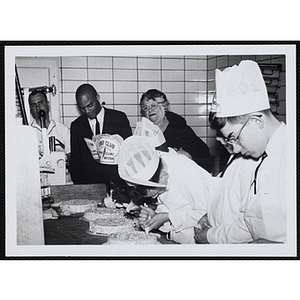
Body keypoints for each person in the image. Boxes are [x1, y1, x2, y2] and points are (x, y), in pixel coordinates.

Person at [200, 60, 286, 244]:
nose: (236, 148)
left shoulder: (290, 154)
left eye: (234, 137)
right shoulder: (262, 158)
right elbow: (250, 221)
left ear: (256, 121)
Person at [118, 135, 211, 244]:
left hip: (197, 242)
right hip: (175, 240)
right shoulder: (156, 168)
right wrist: (154, 215)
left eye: (155, 194)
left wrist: (167, 217)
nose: (155, 198)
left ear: (164, 176)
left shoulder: (185, 171)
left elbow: (205, 211)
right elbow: (173, 204)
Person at [194, 131, 259, 244]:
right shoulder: (234, 157)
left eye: (221, 131)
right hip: (221, 237)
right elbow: (225, 196)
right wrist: (207, 215)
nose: (218, 139)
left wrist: (210, 236)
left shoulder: (251, 163)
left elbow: (248, 227)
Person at [69, 83, 132, 188]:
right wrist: (81, 188)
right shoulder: (76, 125)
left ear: (97, 97)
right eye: (82, 108)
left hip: (118, 185)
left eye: (90, 105)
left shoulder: (119, 118)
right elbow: (76, 162)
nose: (87, 111)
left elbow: (128, 153)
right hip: (90, 187)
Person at [140, 89, 212, 172]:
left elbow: (204, 154)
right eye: (145, 108)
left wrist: (189, 157)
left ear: (164, 106)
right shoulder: (143, 133)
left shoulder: (180, 129)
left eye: (153, 106)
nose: (150, 110)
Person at [28, 91, 71, 163]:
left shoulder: (63, 130)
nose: (37, 107)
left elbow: (71, 159)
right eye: (33, 105)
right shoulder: (27, 131)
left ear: (48, 104)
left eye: (40, 103)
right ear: (30, 109)